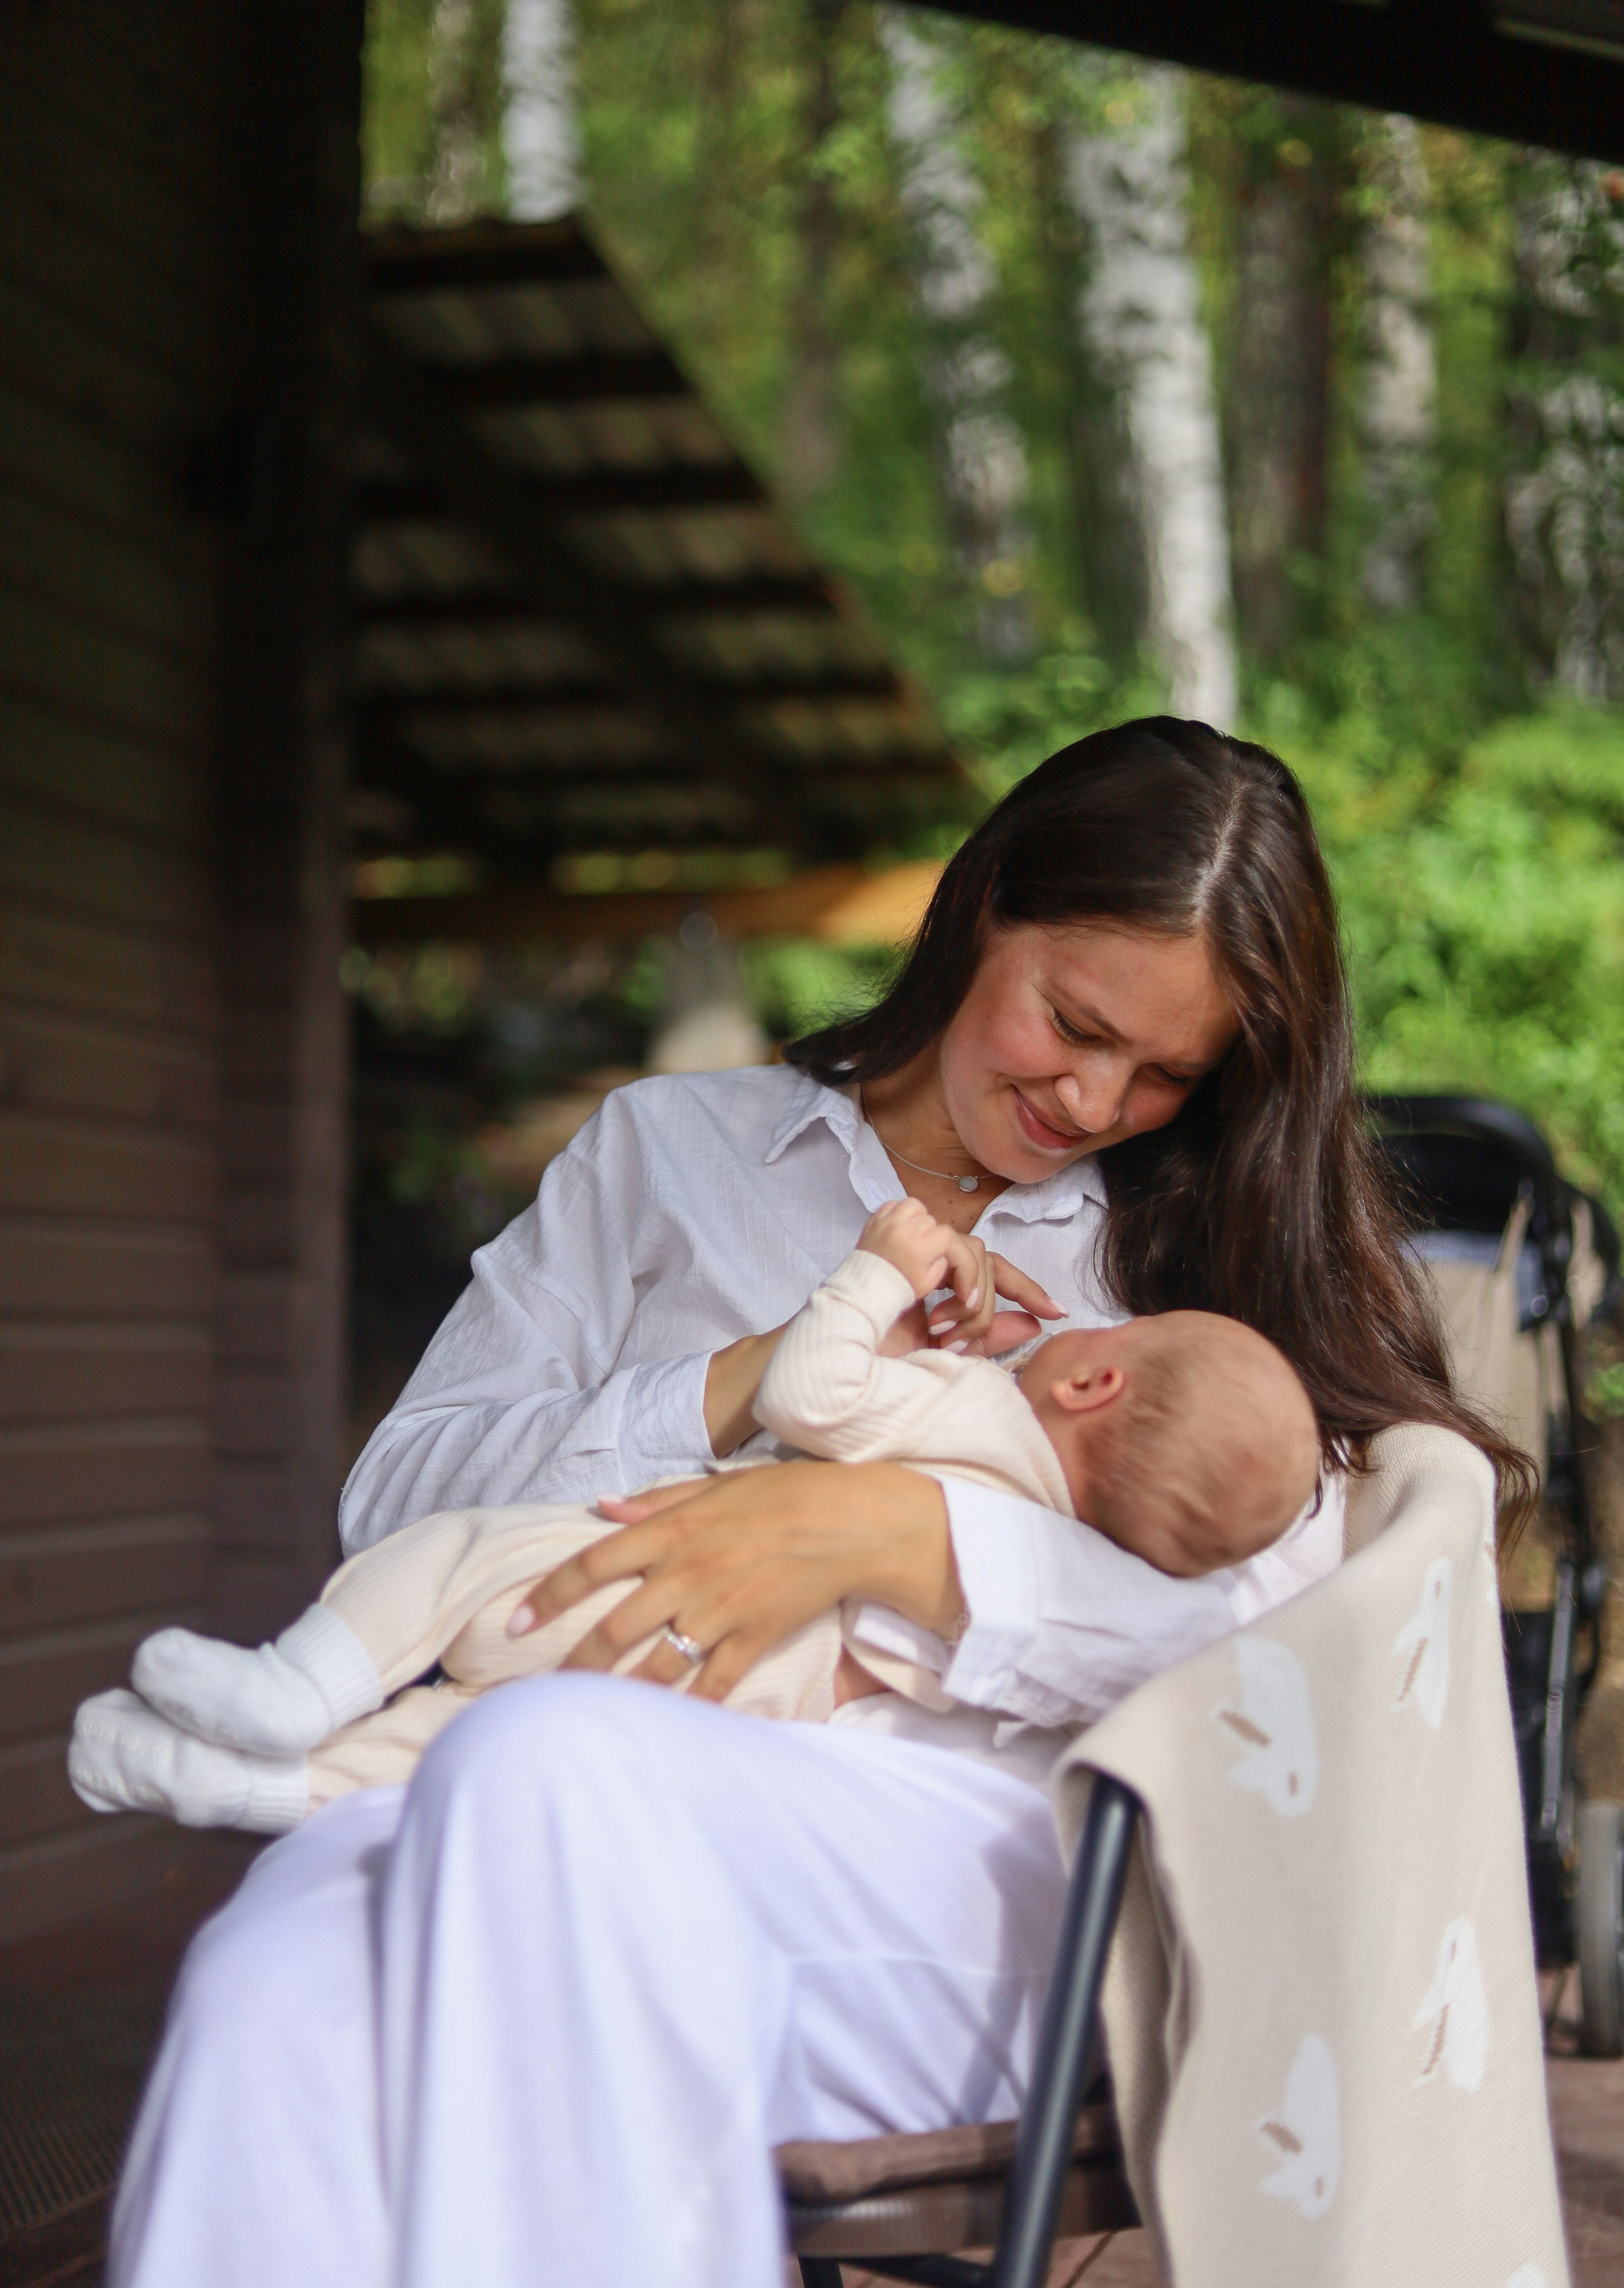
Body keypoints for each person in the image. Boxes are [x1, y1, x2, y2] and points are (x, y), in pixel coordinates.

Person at [108, 720, 1528, 2288]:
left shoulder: (1194, 1263)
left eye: (1165, 1073)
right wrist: (738, 1381)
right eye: (1072, 1020)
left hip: (979, 1851)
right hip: (534, 1776)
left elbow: (1300, 1624)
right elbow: (394, 1507)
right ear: (981, 904)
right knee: (270, 1974)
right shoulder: (669, 1155)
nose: (1100, 1097)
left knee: (544, 1769)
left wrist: (912, 1545)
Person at [70, 1199, 1321, 1834]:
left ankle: (297, 1687)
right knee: (468, 1751)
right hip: (741, 1709)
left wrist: (878, 1272)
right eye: (1071, 1024)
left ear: (1095, 1378)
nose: (1099, 1098)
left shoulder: (975, 1415)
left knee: (449, 1556)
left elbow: (809, 1394)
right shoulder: (1064, 1526)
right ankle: (273, 1788)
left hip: (619, 1577)